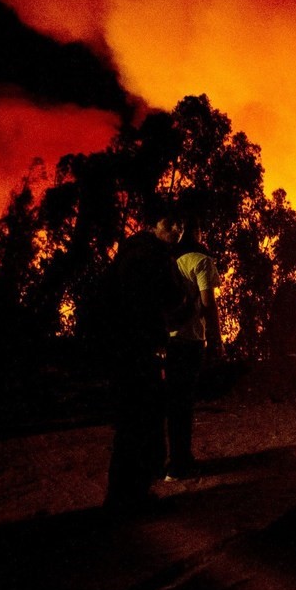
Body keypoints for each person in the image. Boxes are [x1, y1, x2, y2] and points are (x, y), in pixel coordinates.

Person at [95, 205, 189, 514]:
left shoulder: (128, 251)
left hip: (121, 349)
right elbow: (173, 297)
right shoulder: (156, 256)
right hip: (141, 350)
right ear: (155, 224)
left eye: (181, 225)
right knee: (144, 420)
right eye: (171, 223)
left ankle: (123, 495)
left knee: (131, 422)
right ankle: (130, 499)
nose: (177, 229)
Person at [162, 222, 223, 481]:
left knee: (173, 404)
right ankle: (180, 466)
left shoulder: (171, 261)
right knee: (184, 405)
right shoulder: (201, 261)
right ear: (196, 233)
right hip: (190, 342)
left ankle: (169, 462)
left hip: (169, 340)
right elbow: (209, 305)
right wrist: (215, 339)